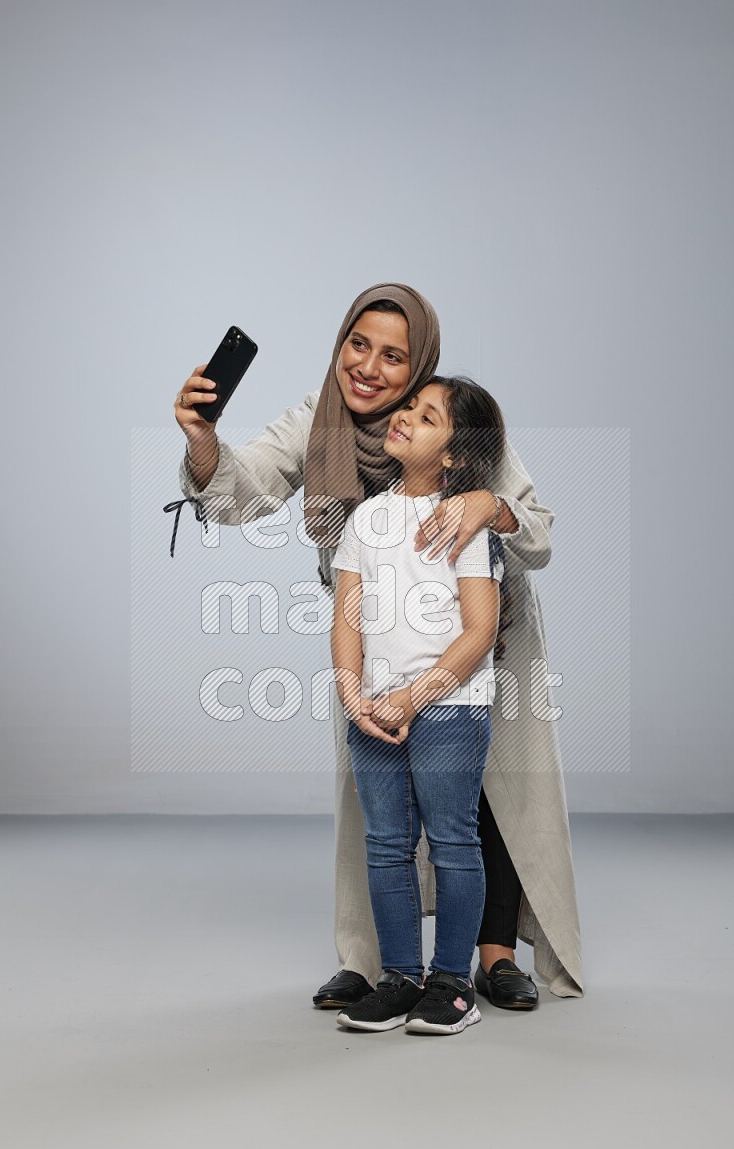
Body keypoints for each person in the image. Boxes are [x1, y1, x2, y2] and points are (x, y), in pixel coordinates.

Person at [169, 282, 583, 1007]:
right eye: (358, 344)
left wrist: (490, 504)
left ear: (419, 363)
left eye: (394, 356)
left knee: (493, 793)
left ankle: (493, 955)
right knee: (376, 804)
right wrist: (203, 439)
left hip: (485, 632)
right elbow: (240, 491)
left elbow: (538, 530)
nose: (368, 367)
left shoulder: (449, 414)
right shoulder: (318, 420)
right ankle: (374, 963)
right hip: (376, 646)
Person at [331, 376, 506, 1035]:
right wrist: (353, 694)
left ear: (455, 453)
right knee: (385, 843)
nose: (406, 416)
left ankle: (453, 983)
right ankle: (400, 978)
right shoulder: (364, 519)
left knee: (454, 841)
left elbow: (479, 631)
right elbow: (347, 616)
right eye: (410, 406)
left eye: (428, 417)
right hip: (375, 710)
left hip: (449, 708)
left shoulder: (464, 520)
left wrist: (414, 696)